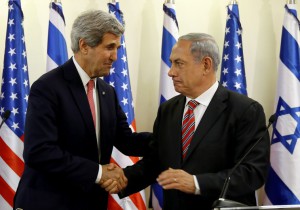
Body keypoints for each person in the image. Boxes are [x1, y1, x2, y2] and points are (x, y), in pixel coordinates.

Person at [112, 33, 270, 209]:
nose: (170, 72)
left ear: (206, 65)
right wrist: (123, 178)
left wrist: (197, 183)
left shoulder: (245, 111)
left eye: (179, 63)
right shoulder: (168, 110)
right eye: (172, 63)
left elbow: (252, 173)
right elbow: (156, 161)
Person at [14, 10, 151, 210]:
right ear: (84, 45)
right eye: (109, 47)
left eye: (117, 48)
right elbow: (39, 152)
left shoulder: (107, 92)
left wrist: (171, 138)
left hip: (91, 202)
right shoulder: (48, 87)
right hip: (50, 202)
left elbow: (126, 140)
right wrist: (98, 173)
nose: (115, 56)